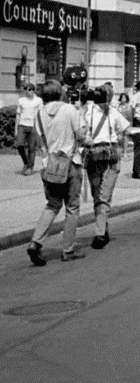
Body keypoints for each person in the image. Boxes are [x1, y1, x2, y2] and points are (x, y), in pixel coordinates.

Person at [26, 81, 86, 265]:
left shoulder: (38, 114)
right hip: (70, 163)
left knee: (52, 205)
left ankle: (36, 242)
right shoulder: (69, 110)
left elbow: (39, 140)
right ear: (60, 93)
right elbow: (81, 136)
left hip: (49, 164)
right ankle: (67, 249)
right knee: (72, 207)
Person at [80, 86, 132, 250]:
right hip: (94, 157)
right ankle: (103, 226)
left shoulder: (114, 113)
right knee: (97, 195)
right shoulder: (87, 112)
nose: (106, 101)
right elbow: (80, 132)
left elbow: (126, 129)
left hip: (111, 157)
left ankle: (99, 234)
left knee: (104, 195)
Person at [16, 82, 43, 175]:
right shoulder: (21, 100)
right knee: (19, 145)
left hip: (33, 126)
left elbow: (41, 114)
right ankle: (26, 162)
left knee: (31, 148)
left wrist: (40, 128)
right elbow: (18, 115)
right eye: (29, 89)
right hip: (22, 125)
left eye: (32, 89)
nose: (31, 91)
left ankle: (30, 168)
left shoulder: (38, 100)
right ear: (25, 90)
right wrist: (16, 128)